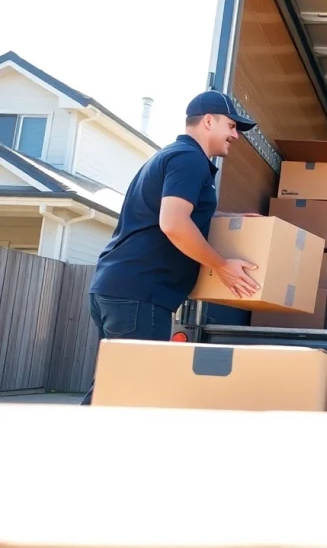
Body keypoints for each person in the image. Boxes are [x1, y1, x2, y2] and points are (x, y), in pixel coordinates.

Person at [82, 91, 264, 405]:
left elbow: (171, 214)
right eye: (232, 126)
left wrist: (229, 219)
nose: (236, 135)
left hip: (120, 289)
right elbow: (174, 224)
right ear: (208, 121)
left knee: (113, 392)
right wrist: (221, 265)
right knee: (135, 396)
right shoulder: (189, 159)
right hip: (141, 295)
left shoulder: (171, 155)